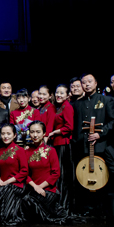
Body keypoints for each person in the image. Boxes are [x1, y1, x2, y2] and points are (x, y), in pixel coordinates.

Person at [71, 73, 114, 217]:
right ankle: (85, 207)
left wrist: (100, 133)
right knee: (82, 177)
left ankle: (102, 207)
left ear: (96, 83)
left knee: (101, 176)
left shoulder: (106, 100)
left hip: (100, 146)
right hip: (80, 146)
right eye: (84, 82)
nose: (87, 85)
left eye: (89, 81)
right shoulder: (76, 104)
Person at [0, 124, 28, 225]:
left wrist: (7, 182)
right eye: (3, 134)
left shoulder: (20, 150)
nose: (6, 136)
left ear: (14, 135)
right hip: (3, 185)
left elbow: (24, 171)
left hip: (16, 185)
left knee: (5, 192)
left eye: (9, 134)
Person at [47, 84, 75, 212]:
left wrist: (54, 133)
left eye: (62, 93)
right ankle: (57, 203)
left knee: (62, 176)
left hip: (63, 144)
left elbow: (69, 127)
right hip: (57, 144)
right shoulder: (58, 107)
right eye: (57, 92)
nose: (59, 95)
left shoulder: (67, 107)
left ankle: (63, 205)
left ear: (67, 95)